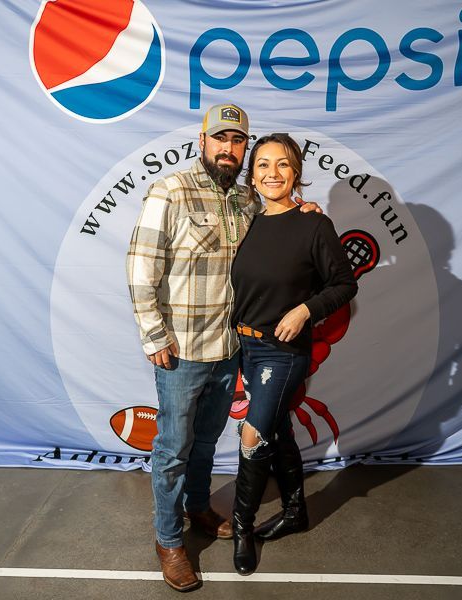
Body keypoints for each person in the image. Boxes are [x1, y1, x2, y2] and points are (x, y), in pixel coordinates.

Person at [126, 106, 319, 592]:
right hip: (182, 351)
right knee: (173, 448)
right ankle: (169, 541)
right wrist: (154, 335)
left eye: (238, 141)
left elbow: (280, 231)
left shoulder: (247, 201)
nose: (229, 149)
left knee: (208, 443)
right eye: (221, 139)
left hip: (232, 348)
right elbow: (141, 267)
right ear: (203, 140)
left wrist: (306, 211)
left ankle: (196, 509)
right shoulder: (170, 191)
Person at [229, 133, 358, 575]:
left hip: (282, 352)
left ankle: (241, 528)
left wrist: (306, 310)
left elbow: (344, 284)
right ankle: (295, 511)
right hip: (242, 346)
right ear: (252, 174)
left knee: (253, 435)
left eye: (282, 165)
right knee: (278, 429)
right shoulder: (244, 220)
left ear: (296, 173)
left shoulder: (313, 224)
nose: (272, 173)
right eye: (262, 164)